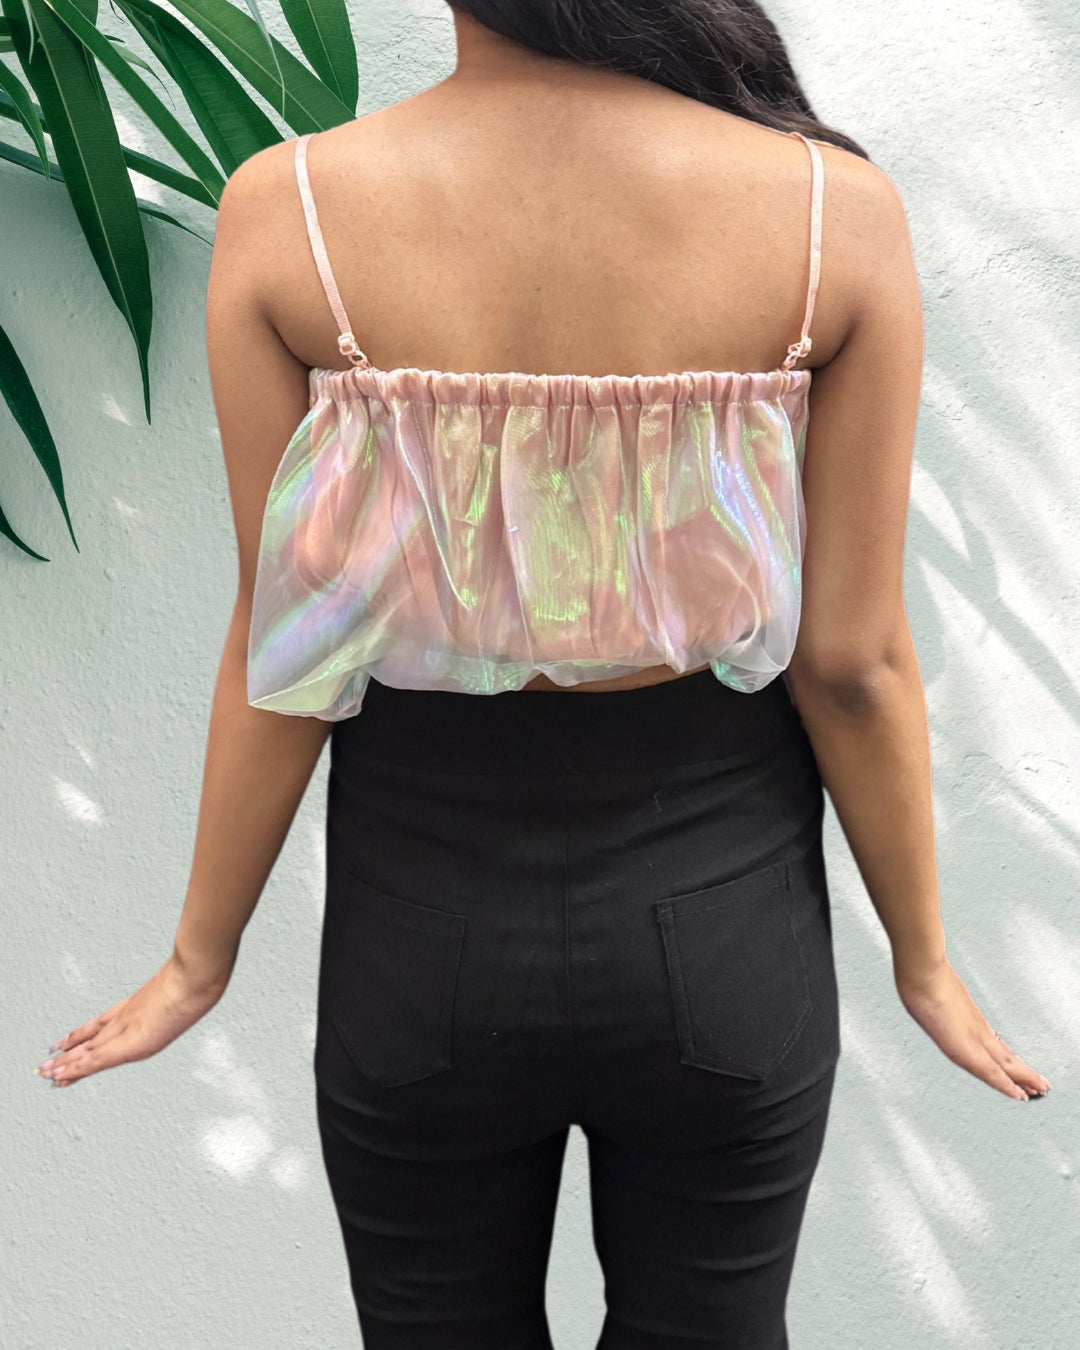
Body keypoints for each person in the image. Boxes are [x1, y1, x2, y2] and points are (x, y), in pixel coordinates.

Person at [36, 1, 1051, 1345]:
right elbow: (852, 663)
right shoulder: (829, 213)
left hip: (419, 939)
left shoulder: (291, 212)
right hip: (724, 927)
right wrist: (925, 960)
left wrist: (197, 958)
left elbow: (288, 646)